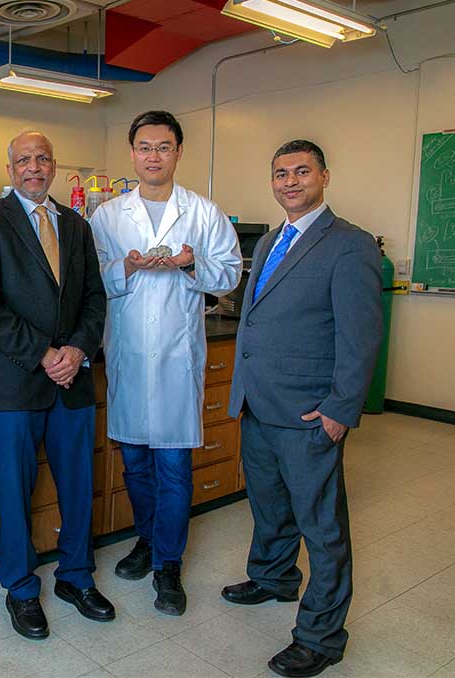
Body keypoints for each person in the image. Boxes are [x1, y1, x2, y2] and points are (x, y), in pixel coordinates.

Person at [223, 140, 382, 678]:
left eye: (301, 171)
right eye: (280, 173)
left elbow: (361, 337)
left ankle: (322, 635)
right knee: (268, 505)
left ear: (324, 176)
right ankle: (273, 577)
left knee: (322, 525)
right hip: (259, 404)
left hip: (311, 411)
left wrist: (341, 407)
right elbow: (258, 319)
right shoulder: (270, 241)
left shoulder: (351, 245)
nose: (290, 181)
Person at [89, 111, 241, 616]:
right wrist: (126, 265)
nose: (154, 156)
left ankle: (168, 566)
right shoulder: (107, 216)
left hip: (178, 358)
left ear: (178, 152)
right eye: (145, 147)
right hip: (129, 356)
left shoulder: (203, 212)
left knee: (174, 466)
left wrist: (189, 262)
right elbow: (91, 280)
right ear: (132, 154)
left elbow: (229, 275)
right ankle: (148, 540)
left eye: (164, 147)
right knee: (135, 464)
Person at [0, 131, 113, 640]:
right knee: (14, 491)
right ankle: (22, 589)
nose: (34, 167)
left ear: (54, 166)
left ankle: (76, 576)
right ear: (10, 169)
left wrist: (77, 351)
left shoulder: (75, 225)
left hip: (72, 380)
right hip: (13, 381)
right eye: (24, 159)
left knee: (77, 487)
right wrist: (44, 354)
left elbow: (95, 298)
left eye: (43, 158)